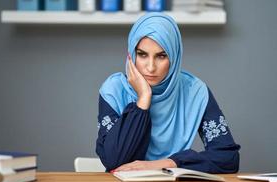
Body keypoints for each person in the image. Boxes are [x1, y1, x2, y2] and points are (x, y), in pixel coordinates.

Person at [96, 12, 240, 173]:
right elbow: (112, 160)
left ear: (174, 57)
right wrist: (143, 99)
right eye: (142, 54)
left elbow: (228, 158)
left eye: (161, 56)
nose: (150, 67)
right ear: (131, 56)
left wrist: (168, 163)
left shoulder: (194, 92)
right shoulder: (114, 90)